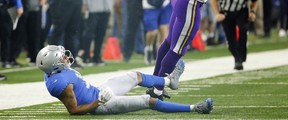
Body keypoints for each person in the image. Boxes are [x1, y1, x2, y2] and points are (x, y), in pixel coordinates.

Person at [36, 45, 213, 115]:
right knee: (148, 100)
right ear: (54, 66)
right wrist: (99, 101)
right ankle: (195, 108)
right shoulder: (58, 84)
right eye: (61, 59)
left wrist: (98, 95)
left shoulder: (54, 72)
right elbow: (74, 111)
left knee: (134, 75)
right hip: (101, 104)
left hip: (99, 91)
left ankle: (169, 81)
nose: (66, 58)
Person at [211, 0, 259, 70]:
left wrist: (252, 11)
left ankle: (240, 57)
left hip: (241, 10)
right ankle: (238, 59)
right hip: (226, 12)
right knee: (230, 39)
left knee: (243, 29)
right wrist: (217, 14)